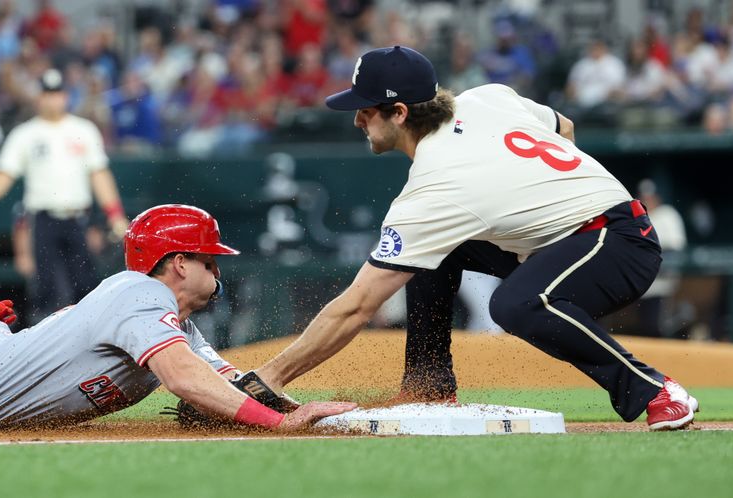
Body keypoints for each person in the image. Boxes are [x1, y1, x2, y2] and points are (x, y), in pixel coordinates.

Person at [246, 46, 699, 431]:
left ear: (399, 113)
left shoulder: (435, 187)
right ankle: (429, 387)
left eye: (365, 109)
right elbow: (564, 128)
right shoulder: (487, 97)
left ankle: (654, 389)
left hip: (617, 243)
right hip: (569, 236)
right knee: (434, 253)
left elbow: (358, 305)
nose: (357, 120)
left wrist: (269, 378)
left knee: (516, 303)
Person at [0, 204, 354, 431]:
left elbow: (227, 383)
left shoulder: (177, 326)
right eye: (209, 259)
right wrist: (281, 423)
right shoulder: (140, 294)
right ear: (179, 264)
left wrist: (299, 410)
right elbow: (185, 380)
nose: (218, 270)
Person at [0, 68, 130, 322]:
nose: (52, 99)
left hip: (79, 219)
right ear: (39, 98)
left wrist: (115, 214)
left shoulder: (84, 129)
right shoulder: (26, 133)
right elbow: (5, 171)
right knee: (46, 292)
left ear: (65, 97)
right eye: (47, 94)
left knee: (86, 289)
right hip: (43, 220)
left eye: (57, 94)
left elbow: (100, 175)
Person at [634, 179, 688, 338]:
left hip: (664, 283)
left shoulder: (667, 214)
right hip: (643, 286)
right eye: (644, 198)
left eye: (650, 197)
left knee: (657, 328)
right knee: (647, 329)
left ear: (658, 197)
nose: (647, 201)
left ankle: (683, 318)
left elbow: (675, 248)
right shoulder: (637, 218)